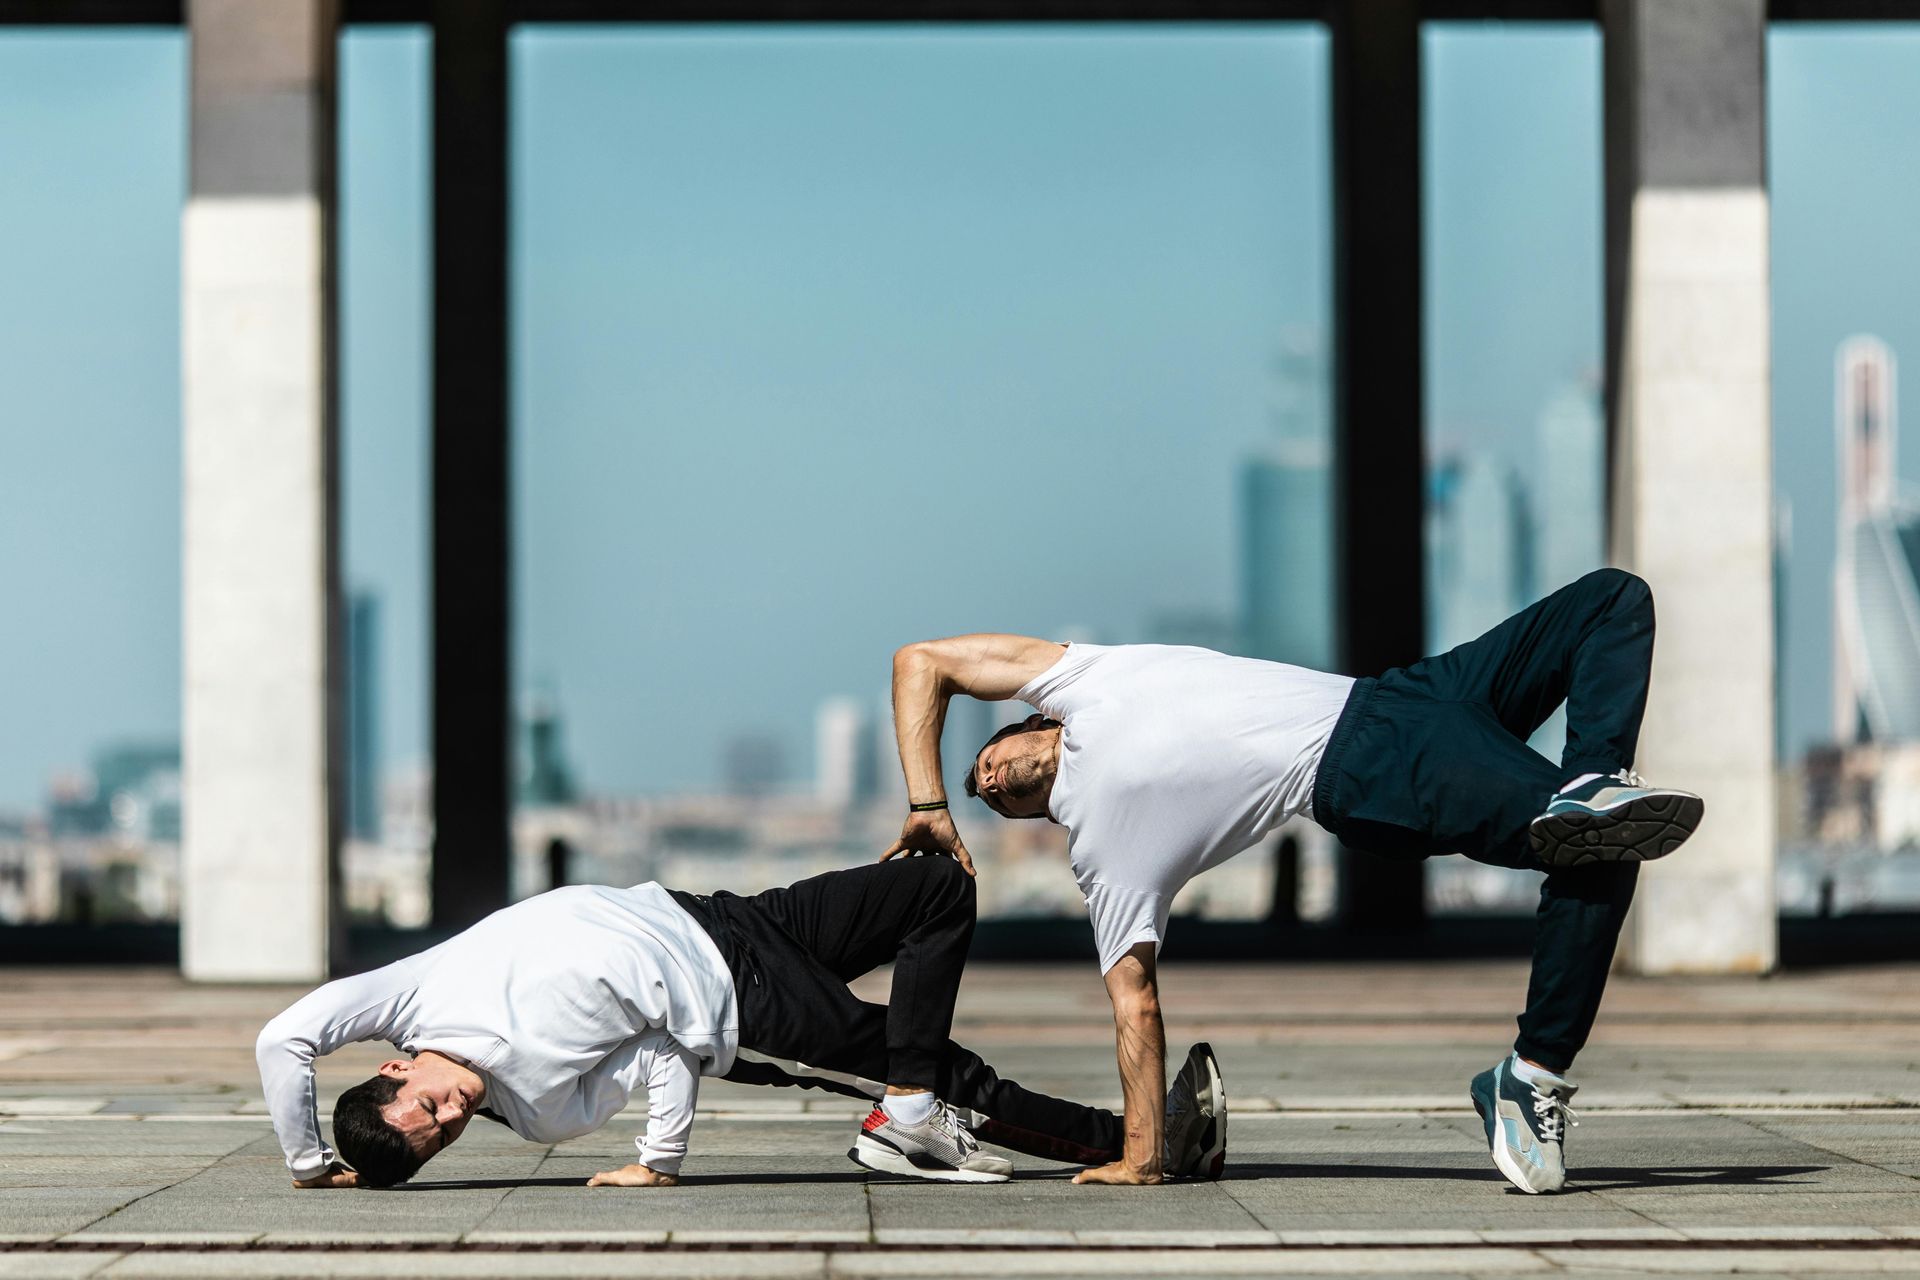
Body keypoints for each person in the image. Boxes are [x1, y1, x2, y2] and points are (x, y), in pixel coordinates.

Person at [881, 568, 1703, 1195]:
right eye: (989, 797)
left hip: (1403, 694)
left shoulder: (1083, 677)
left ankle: (1590, 780)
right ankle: (1532, 1074)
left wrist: (926, 803)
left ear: (1031, 720)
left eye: (986, 762)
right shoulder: (1103, 848)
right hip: (1364, 767)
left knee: (1613, 599)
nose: (987, 784)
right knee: (1597, 846)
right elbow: (1135, 1000)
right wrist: (1141, 1156)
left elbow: (921, 662)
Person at [256, 860, 1227, 1190]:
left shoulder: (408, 992)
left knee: (937, 888)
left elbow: (283, 1037)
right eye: (446, 1132)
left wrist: (309, 1162)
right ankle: (1144, 1140)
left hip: (726, 913)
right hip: (739, 1005)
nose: (455, 1108)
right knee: (939, 1068)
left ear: (391, 1064)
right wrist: (658, 1158)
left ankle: (913, 1098)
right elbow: (662, 1052)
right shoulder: (540, 1106)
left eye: (426, 1100)